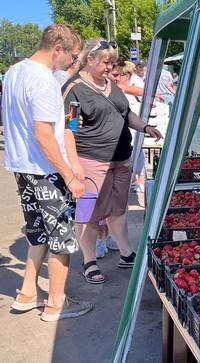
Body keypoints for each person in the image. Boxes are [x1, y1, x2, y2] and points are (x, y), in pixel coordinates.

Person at [2, 24, 93, 321]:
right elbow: (43, 135)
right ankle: (56, 304)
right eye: (73, 55)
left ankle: (28, 292)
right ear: (58, 49)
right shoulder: (42, 81)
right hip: (46, 171)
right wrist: (68, 174)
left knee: (38, 234)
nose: (72, 61)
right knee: (62, 239)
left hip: (22, 168)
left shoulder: (15, 72)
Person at [62, 38, 163, 284]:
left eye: (112, 63)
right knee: (88, 213)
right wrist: (74, 165)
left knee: (119, 208)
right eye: (106, 63)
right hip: (91, 162)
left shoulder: (111, 85)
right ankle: (89, 260)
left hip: (121, 158)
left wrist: (145, 126)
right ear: (90, 60)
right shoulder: (75, 88)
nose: (110, 68)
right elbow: (68, 128)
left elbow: (126, 113)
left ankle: (126, 253)